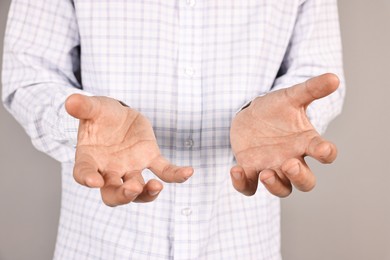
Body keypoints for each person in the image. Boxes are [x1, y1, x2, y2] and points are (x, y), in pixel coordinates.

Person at [2, 0, 345, 259]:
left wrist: (289, 120)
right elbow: (27, 71)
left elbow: (318, 73)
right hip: (102, 242)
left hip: (241, 242)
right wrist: (79, 126)